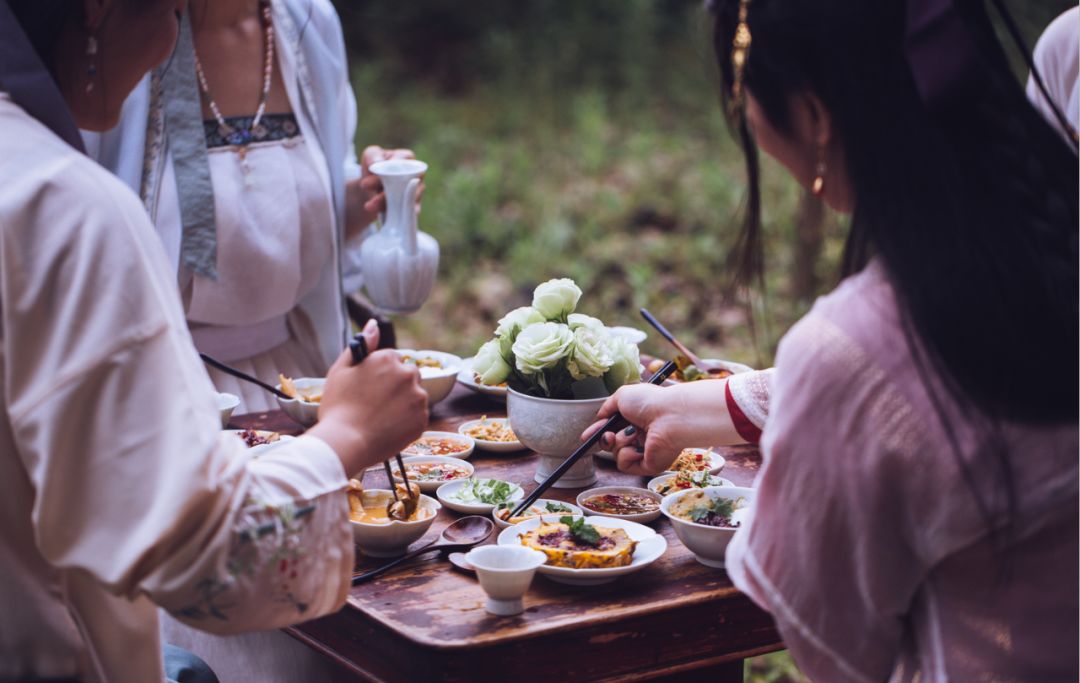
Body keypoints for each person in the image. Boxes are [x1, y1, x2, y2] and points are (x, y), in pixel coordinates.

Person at [588, 0, 1078, 680]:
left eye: (742, 94)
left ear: (815, 115)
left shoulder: (858, 351)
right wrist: (706, 407)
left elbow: (840, 649)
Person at [0, 1, 428, 681]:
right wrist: (345, 432)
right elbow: (205, 560)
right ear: (100, 10)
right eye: (169, 6)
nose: (172, 30)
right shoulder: (67, 210)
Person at [84, 0, 427, 414]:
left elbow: (306, 215)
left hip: (296, 383)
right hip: (156, 395)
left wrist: (369, 192)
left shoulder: (309, 21)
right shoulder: (120, 29)